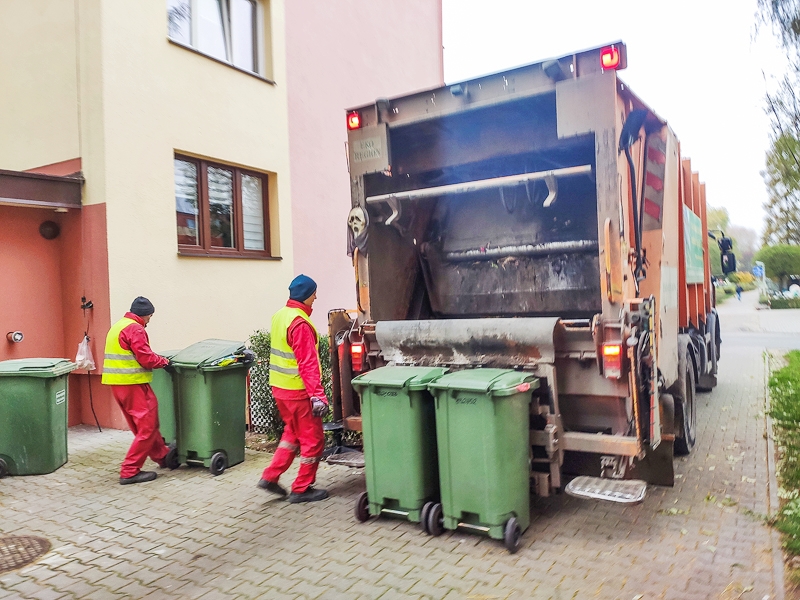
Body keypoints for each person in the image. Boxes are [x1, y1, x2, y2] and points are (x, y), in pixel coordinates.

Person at [258, 275, 330, 503]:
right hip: (299, 393)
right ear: (307, 295)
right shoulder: (300, 324)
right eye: (314, 293)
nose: (316, 296)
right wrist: (317, 396)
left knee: (292, 435)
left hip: (281, 389)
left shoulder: (281, 316)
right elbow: (307, 363)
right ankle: (302, 488)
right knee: (313, 439)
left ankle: (270, 476)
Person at [102, 297, 177, 484]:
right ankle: (129, 471)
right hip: (133, 384)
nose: (150, 320)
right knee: (147, 426)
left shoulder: (118, 325)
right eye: (150, 317)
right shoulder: (135, 328)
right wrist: (165, 362)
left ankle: (162, 456)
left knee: (144, 426)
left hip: (119, 384)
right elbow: (145, 358)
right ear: (146, 315)